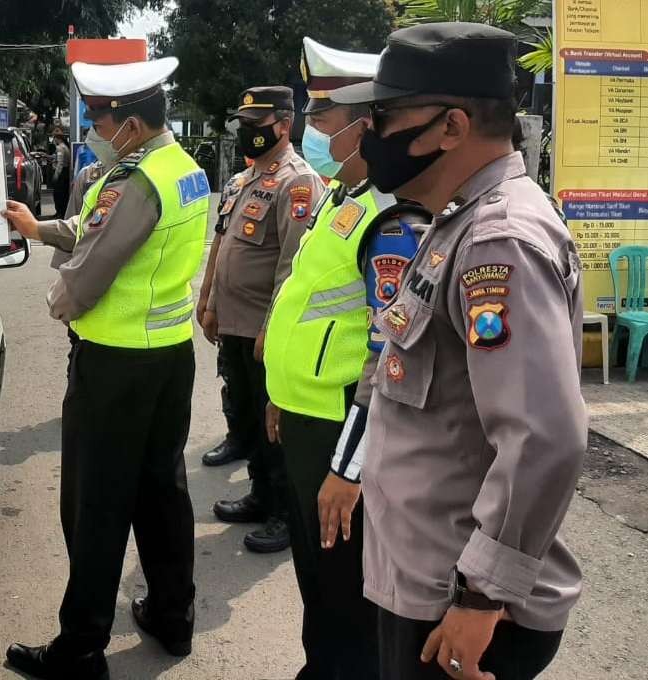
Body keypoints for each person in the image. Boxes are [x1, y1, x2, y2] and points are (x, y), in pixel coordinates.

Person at [328, 22, 586, 680]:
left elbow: (544, 437)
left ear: (449, 127)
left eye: (383, 116)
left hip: (458, 603)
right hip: (425, 578)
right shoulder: (457, 220)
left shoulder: (498, 240)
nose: (367, 136)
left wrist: (482, 596)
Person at [0, 56, 209, 680]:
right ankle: (174, 614)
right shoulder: (182, 171)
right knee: (161, 491)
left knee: (95, 505)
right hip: (169, 358)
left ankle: (81, 649)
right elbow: (96, 229)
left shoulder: (136, 182)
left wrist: (53, 301)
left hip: (116, 366)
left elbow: (89, 273)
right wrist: (39, 228)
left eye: (99, 116)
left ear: (133, 123)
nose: (92, 125)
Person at [260, 37, 430, 679]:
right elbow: (308, 306)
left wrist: (349, 470)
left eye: (324, 119)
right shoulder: (340, 196)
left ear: (365, 126)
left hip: (342, 432)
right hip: (306, 415)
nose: (312, 131)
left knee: (345, 598)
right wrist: (281, 392)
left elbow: (387, 354)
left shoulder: (392, 218)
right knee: (317, 585)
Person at [201, 86, 323, 554]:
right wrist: (208, 299)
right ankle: (260, 493)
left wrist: (272, 328)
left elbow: (291, 267)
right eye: (245, 124)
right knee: (249, 419)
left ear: (284, 126)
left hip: (263, 328)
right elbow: (222, 243)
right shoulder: (241, 179)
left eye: (258, 124)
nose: (248, 132)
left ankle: (284, 514)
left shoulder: (298, 182)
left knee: (276, 429)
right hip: (232, 322)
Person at [52, 127, 73, 218]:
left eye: (54, 138)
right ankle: (62, 212)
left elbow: (60, 163)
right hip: (66, 174)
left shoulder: (60, 148)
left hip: (61, 174)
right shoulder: (65, 146)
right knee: (64, 194)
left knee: (58, 194)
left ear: (57, 138)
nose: (54, 140)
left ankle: (60, 212)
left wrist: (56, 176)